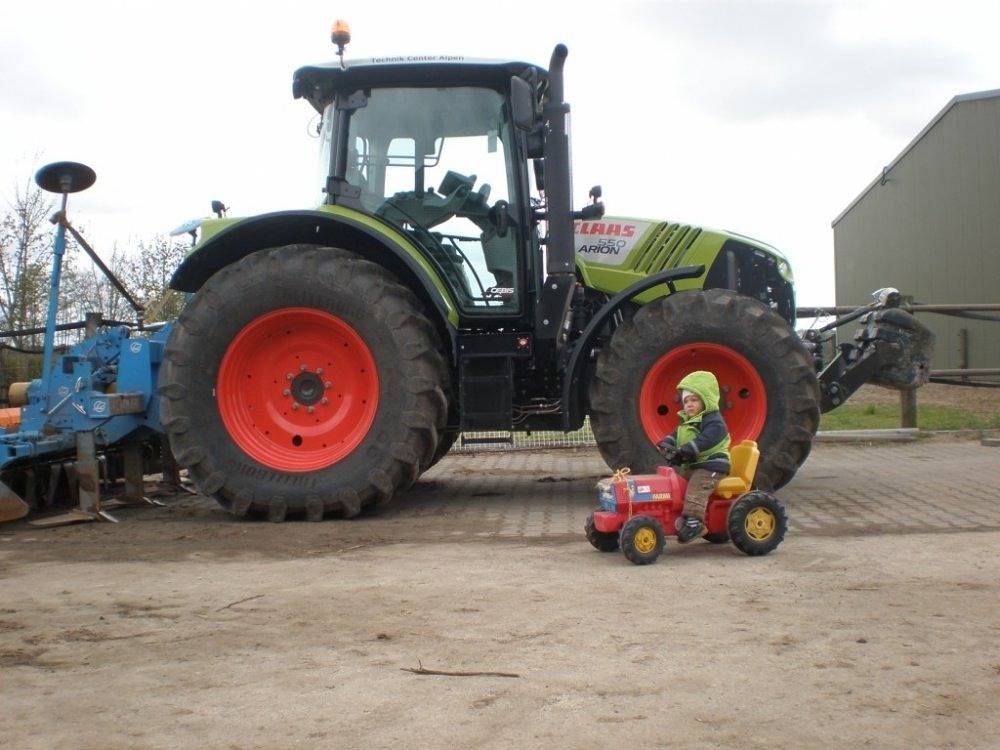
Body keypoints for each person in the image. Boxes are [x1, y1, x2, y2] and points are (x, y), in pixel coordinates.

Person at [656, 370, 732, 543]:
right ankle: (672, 514)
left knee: (696, 488)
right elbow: (675, 435)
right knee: (674, 484)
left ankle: (694, 522)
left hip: (712, 466)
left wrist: (687, 449)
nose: (689, 405)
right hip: (695, 465)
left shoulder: (714, 421)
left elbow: (707, 440)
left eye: (694, 400)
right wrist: (666, 443)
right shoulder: (687, 422)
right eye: (686, 401)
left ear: (706, 400)